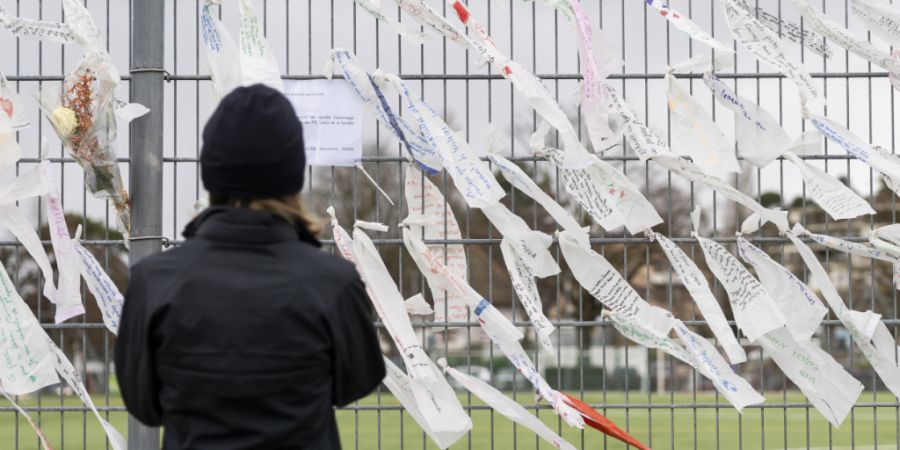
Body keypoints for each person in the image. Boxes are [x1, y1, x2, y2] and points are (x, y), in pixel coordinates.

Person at [115, 84, 386, 449]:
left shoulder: (155, 282)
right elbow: (357, 381)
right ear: (291, 172)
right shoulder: (332, 282)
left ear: (212, 169)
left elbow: (144, 405)